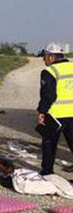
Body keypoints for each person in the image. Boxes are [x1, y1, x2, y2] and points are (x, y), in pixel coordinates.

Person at [37, 43, 73, 175]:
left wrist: (42, 112)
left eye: (45, 57)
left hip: (55, 114)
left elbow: (49, 95)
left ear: (51, 57)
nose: (43, 60)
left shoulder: (50, 71)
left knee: (49, 144)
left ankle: (47, 173)